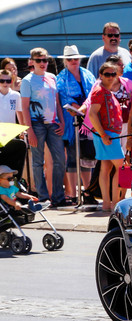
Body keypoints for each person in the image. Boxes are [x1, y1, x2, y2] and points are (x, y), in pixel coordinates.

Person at [20, 47, 67, 207]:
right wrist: (29, 130)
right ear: (32, 62)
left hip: (53, 123)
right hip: (36, 123)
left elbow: (57, 102)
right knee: (38, 162)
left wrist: (62, 121)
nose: (42, 63)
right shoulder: (27, 80)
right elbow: (25, 107)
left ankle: (58, 197)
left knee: (60, 159)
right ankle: (43, 196)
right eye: (39, 60)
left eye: (45, 60)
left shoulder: (52, 77)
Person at [56, 45, 96, 201]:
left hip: (88, 121)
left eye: (76, 58)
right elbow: (64, 97)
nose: (73, 61)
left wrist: (87, 110)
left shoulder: (87, 74)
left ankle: (87, 192)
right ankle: (72, 193)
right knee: (72, 158)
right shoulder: (61, 77)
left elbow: (93, 93)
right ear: (65, 61)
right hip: (72, 122)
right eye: (70, 59)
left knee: (87, 156)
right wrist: (81, 109)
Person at [88, 62, 124, 212]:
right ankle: (115, 202)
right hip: (107, 134)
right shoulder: (100, 91)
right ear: (101, 75)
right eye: (107, 74)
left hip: (107, 134)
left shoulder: (104, 91)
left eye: (113, 74)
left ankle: (107, 204)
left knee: (106, 167)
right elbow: (92, 113)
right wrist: (103, 134)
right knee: (120, 167)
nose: (110, 77)